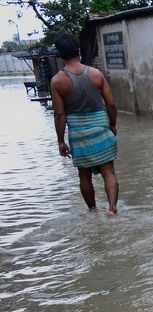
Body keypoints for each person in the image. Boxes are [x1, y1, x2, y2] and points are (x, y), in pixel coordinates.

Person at [50, 32, 119, 217]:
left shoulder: (57, 81)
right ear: (78, 50)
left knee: (84, 175)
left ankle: (92, 211)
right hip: (100, 127)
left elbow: (59, 114)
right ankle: (112, 208)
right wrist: (112, 124)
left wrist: (60, 141)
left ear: (60, 55)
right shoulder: (96, 74)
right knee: (109, 172)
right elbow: (111, 104)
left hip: (78, 132)